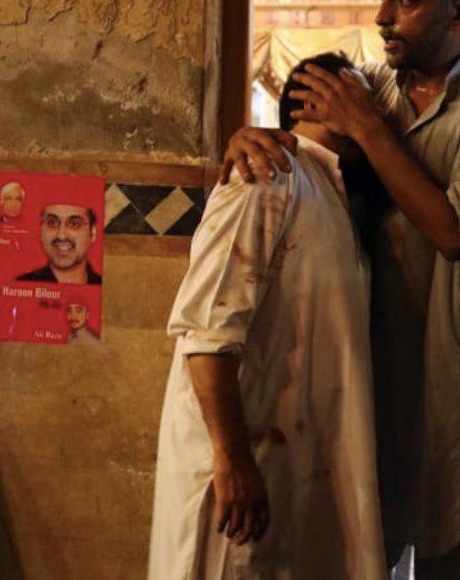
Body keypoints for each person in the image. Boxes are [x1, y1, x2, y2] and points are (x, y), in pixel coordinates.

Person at [220, 0, 460, 578]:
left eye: (406, 1)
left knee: (458, 557)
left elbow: (455, 234)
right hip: (362, 375)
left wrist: (368, 126)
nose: (383, 17)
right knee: (363, 556)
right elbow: (306, 143)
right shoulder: (371, 88)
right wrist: (247, 140)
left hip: (450, 378)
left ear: (459, 12)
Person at [149, 53, 386, 579]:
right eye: (360, 95)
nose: (376, 116)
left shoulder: (331, 191)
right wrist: (232, 459)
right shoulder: (267, 175)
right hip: (241, 468)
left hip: (286, 467)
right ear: (320, 101)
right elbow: (207, 333)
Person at [17, 204, 102, 284]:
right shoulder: (21, 286)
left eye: (74, 224)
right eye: (52, 223)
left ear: (93, 232)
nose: (61, 235)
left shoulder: (104, 287)